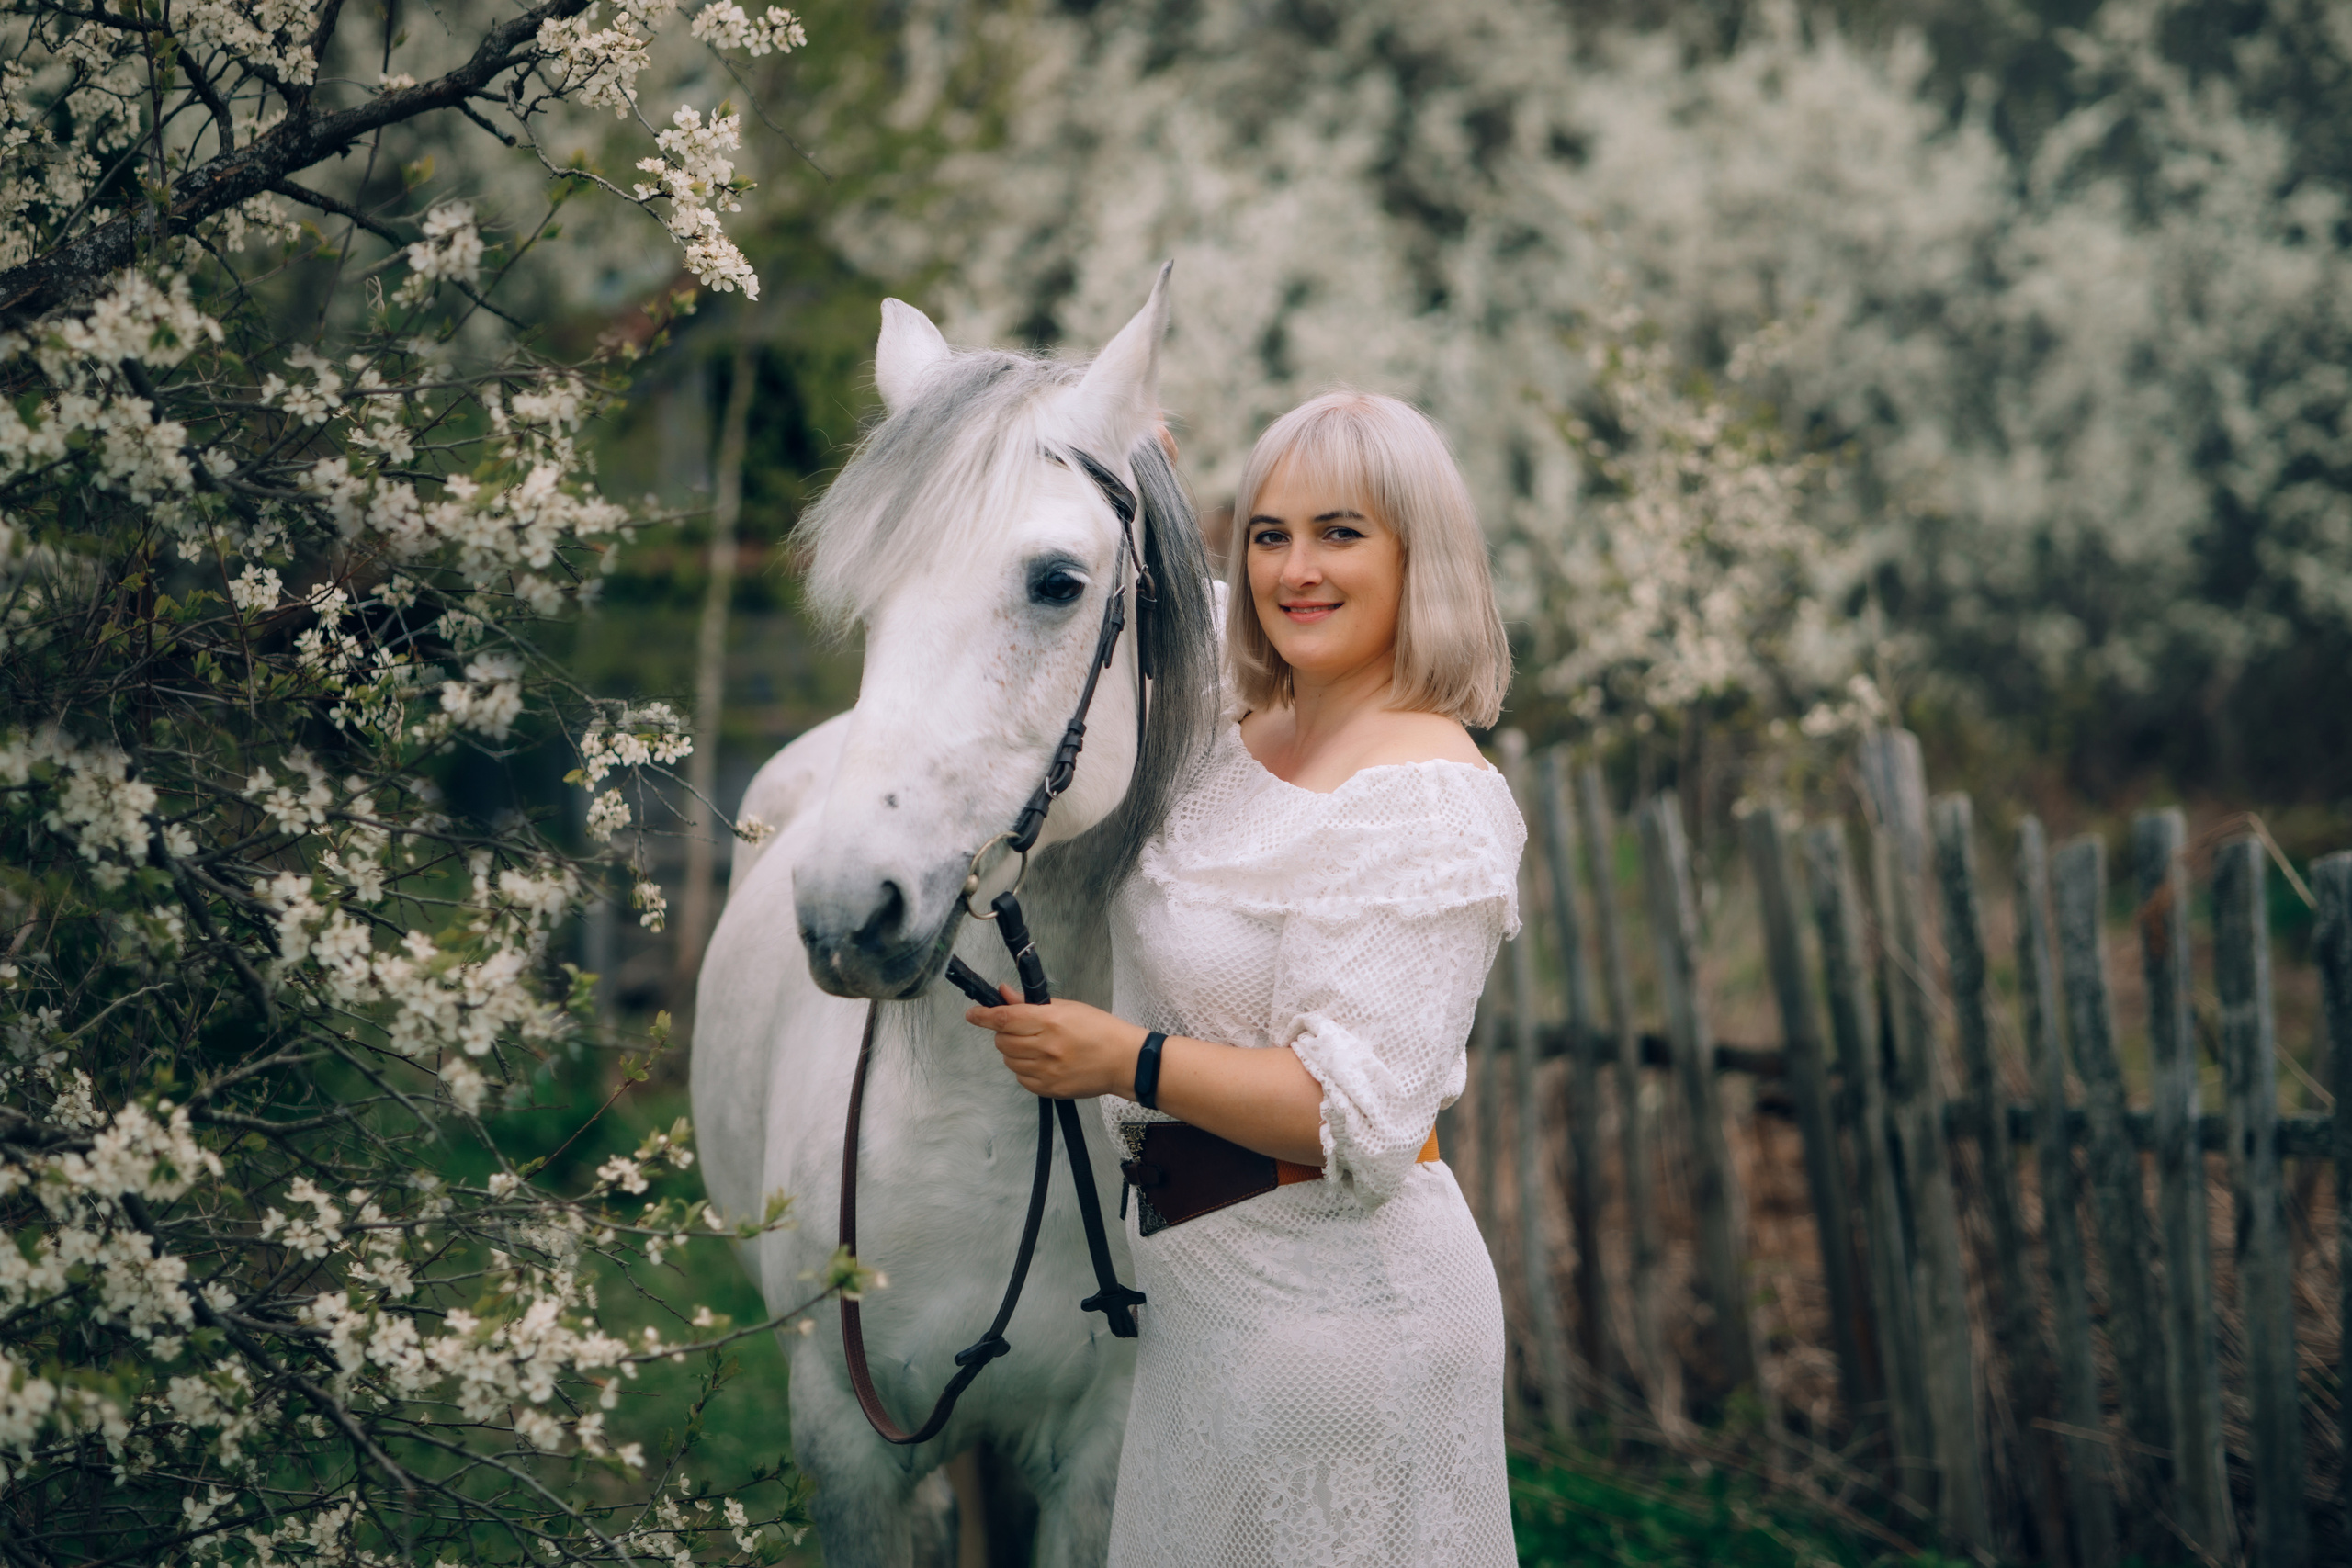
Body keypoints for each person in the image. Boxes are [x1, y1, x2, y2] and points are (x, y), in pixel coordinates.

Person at [966, 390, 1522, 1566]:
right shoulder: (1241, 726)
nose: (1296, 570)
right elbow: (1146, 600)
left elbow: (1357, 1119)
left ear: (1418, 555)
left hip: (1347, 1327)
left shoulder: (1427, 795)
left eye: (1340, 532)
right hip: (1202, 1316)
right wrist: (1139, 488)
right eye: (1268, 534)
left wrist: (1123, 1060)